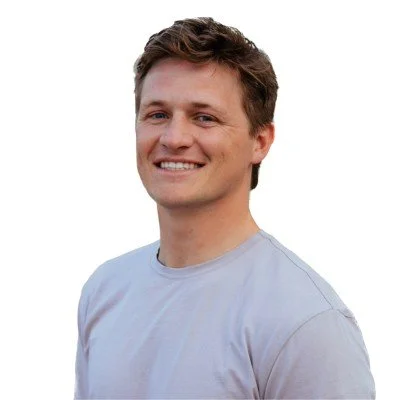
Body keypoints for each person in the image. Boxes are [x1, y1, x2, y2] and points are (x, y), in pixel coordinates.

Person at [74, 17, 375, 399]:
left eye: (205, 117)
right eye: (157, 114)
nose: (174, 138)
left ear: (260, 141)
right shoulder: (106, 290)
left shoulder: (306, 321)